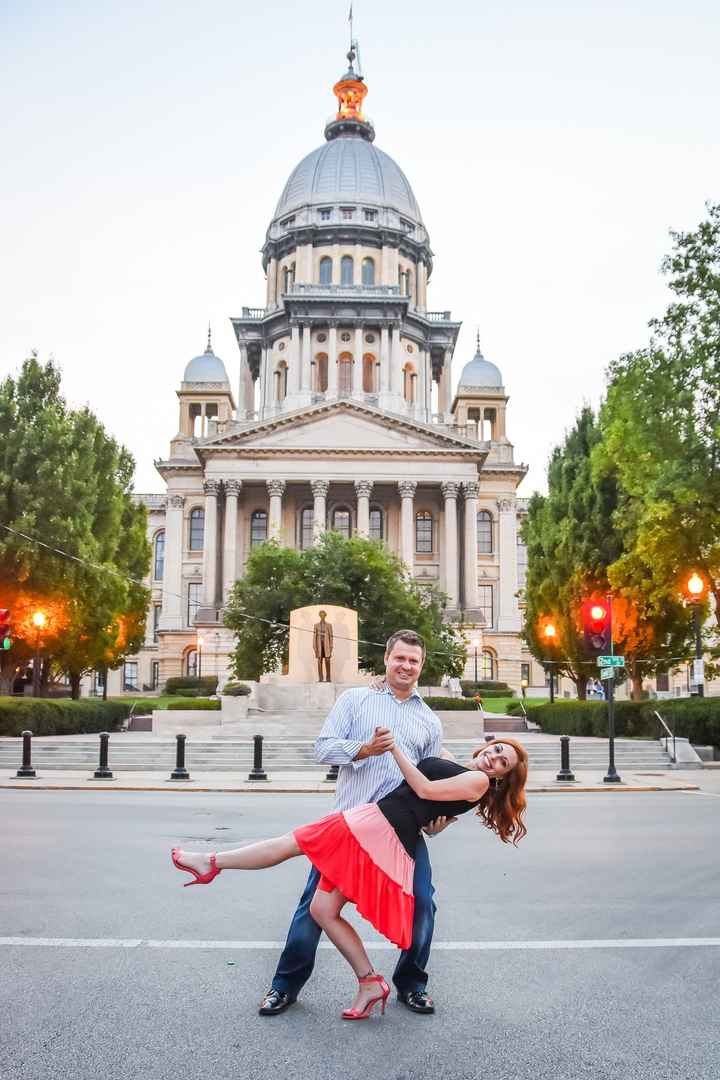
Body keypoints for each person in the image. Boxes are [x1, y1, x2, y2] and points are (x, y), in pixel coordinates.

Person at [171, 733, 528, 1020]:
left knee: (293, 843)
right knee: (321, 908)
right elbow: (434, 804)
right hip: (375, 827)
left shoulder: (478, 781)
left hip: (378, 830)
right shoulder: (463, 767)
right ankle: (370, 982)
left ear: (501, 777)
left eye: (502, 763)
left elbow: (424, 790)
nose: (493, 759)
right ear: (488, 743)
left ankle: (210, 861)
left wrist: (395, 750)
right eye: (496, 750)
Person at [259, 628, 448, 1017]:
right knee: (313, 907)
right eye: (400, 658)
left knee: (424, 904)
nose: (406, 666)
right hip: (348, 826)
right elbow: (323, 747)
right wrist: (364, 749)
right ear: (386, 658)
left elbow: (429, 781)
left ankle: (411, 984)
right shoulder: (355, 700)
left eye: (414, 661)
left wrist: (436, 820)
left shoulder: (429, 721)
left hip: (401, 831)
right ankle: (285, 986)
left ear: (421, 665)